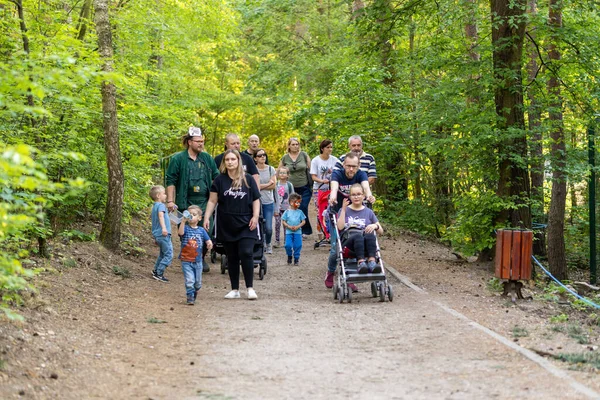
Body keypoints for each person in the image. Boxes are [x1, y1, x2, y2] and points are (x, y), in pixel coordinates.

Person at [204, 149, 261, 300]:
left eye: (233, 159)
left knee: (246, 253)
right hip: (227, 223)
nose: (230, 162)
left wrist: (255, 216)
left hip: (246, 223)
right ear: (224, 162)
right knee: (232, 256)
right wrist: (207, 217)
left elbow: (256, 199)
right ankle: (235, 289)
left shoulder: (248, 179)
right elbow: (212, 201)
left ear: (238, 161)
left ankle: (250, 288)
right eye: (227, 160)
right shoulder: (219, 180)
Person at [165, 127, 219, 272]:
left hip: (205, 202)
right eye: (198, 141)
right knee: (186, 232)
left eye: (202, 141)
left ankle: (200, 258)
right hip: (185, 202)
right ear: (189, 142)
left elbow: (216, 178)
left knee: (207, 230)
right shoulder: (178, 159)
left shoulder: (207, 158)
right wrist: (170, 201)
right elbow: (170, 180)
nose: (201, 144)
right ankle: (190, 260)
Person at [325, 152, 375, 291]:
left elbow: (366, 187)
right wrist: (333, 197)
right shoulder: (337, 174)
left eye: (354, 166)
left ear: (358, 166)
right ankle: (330, 272)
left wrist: (369, 196)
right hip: (339, 212)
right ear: (344, 165)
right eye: (348, 166)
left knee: (354, 244)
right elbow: (334, 187)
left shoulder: (361, 175)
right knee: (336, 249)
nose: (351, 169)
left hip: (356, 214)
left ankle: (349, 276)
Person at [337, 184, 383, 274]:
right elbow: (340, 227)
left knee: (370, 234)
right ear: (350, 197)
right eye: (353, 195)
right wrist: (343, 209)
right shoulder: (344, 210)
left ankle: (372, 262)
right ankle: (361, 263)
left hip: (365, 243)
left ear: (363, 196)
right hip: (349, 243)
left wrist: (375, 226)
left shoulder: (368, 212)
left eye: (359, 194)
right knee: (358, 236)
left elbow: (381, 231)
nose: (356, 197)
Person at [178, 205, 213, 305]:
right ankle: (190, 296)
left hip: (198, 260)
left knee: (197, 283)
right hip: (186, 260)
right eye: (189, 215)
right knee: (189, 280)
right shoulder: (185, 228)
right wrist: (183, 221)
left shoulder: (201, 230)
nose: (191, 216)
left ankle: (195, 291)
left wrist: (209, 243)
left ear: (199, 218)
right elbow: (180, 233)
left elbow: (207, 239)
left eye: (194, 215)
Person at [278, 137, 313, 237]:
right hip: (291, 189)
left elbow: (311, 170)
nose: (295, 146)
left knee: (302, 207)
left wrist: (314, 184)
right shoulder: (285, 157)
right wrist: (277, 183)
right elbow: (279, 171)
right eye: (293, 144)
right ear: (289, 146)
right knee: (294, 208)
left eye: (297, 144)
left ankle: (305, 230)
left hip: (305, 187)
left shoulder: (304, 155)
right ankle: (296, 228)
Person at [310, 139, 339, 240]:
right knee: (320, 211)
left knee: (331, 210)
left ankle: (331, 234)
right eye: (328, 147)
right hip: (319, 189)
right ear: (322, 148)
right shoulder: (316, 160)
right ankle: (320, 233)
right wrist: (322, 181)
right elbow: (313, 176)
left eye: (331, 147)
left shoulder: (335, 160)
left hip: (332, 189)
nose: (330, 149)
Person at [253, 148, 277, 254]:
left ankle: (268, 243)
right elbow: (253, 187)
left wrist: (260, 186)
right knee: (257, 225)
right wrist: (268, 184)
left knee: (268, 227)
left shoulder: (271, 169)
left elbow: (274, 186)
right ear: (255, 159)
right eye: (260, 155)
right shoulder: (253, 170)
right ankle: (259, 244)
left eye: (264, 155)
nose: (263, 157)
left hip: (268, 202)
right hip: (256, 201)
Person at [149, 185, 172, 282]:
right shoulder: (161, 206)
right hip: (163, 234)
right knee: (169, 255)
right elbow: (161, 216)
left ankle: (155, 270)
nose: (166, 195)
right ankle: (159, 273)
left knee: (162, 254)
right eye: (164, 194)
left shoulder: (155, 206)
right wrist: (164, 228)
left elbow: (162, 216)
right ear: (158, 195)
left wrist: (169, 211)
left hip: (157, 234)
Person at [282, 193, 306, 266]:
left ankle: (296, 258)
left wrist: (298, 226)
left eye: (299, 202)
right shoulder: (287, 212)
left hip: (298, 232)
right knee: (287, 245)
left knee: (298, 245)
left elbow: (303, 221)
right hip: (289, 232)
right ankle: (289, 255)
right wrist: (288, 226)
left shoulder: (300, 212)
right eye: (297, 202)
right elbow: (283, 221)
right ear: (291, 203)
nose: (298, 204)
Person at [274, 166, 294, 248]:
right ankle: (277, 240)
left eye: (284, 173)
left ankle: (287, 241)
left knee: (286, 225)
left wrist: (292, 206)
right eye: (280, 173)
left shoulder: (289, 185)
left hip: (287, 208)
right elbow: (273, 196)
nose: (282, 174)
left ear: (287, 175)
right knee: (277, 223)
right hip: (277, 208)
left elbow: (292, 196)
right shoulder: (276, 184)